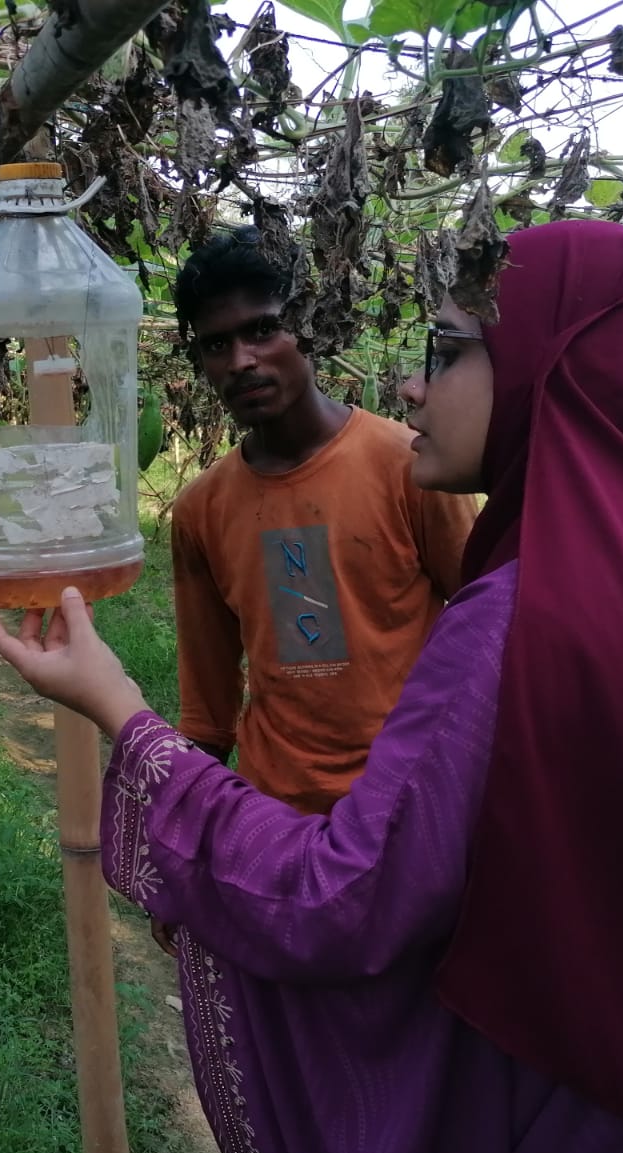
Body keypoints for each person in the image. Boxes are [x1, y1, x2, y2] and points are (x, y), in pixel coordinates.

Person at [0, 221, 623, 1153]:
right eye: (215, 344)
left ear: (556, 367)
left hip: (616, 1132)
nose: (412, 385)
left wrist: (123, 716)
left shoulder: (521, 614)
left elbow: (345, 895)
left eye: (447, 351)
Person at [159, 228, 475, 954]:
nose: (241, 360)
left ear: (308, 325)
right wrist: (184, 857)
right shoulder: (203, 510)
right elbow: (207, 707)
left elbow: (490, 634)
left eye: (262, 329)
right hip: (276, 818)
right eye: (215, 344)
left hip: (409, 809)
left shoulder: (407, 466)